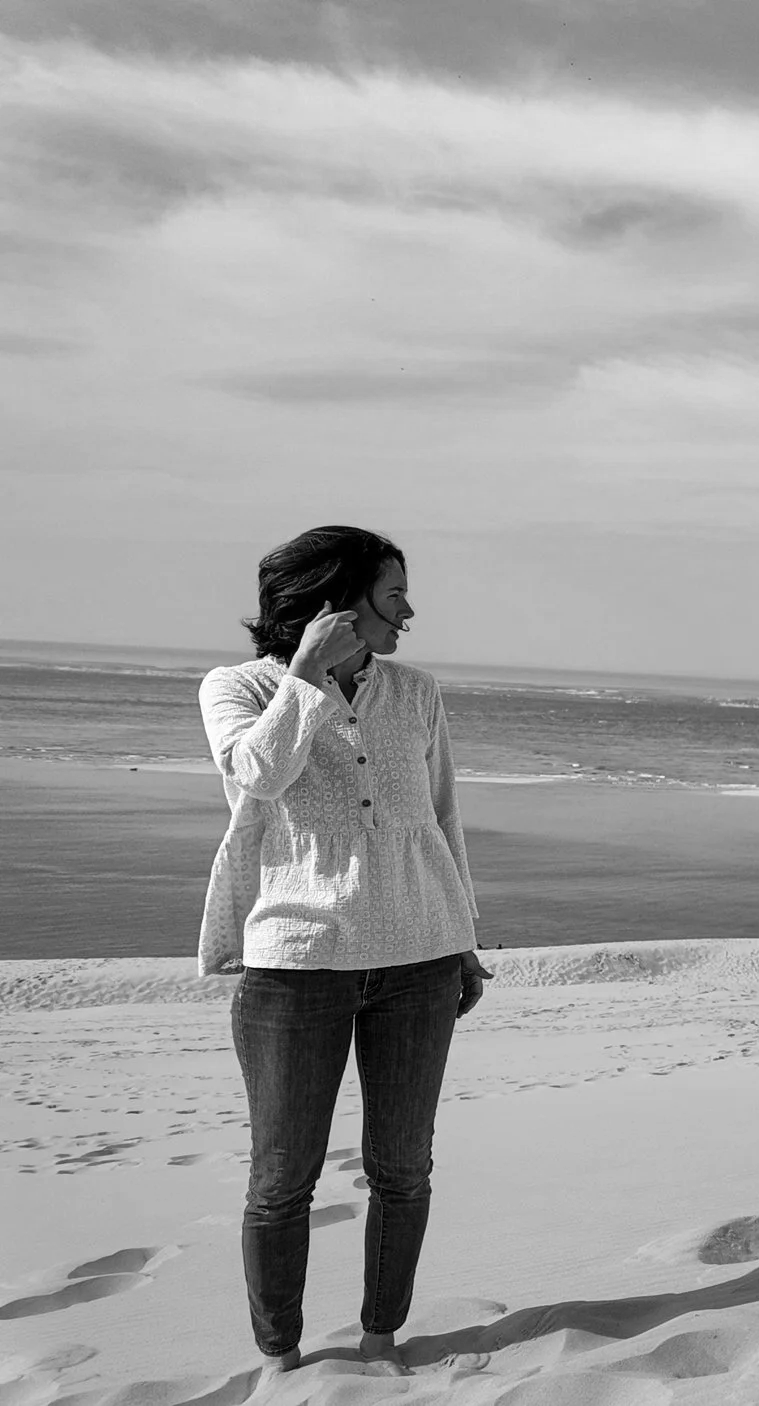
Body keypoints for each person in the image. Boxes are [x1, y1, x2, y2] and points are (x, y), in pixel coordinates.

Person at [197, 526, 494, 1383]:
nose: (410, 611)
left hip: (419, 959)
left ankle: (379, 1340)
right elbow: (258, 776)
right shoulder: (240, 687)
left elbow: (441, 820)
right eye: (393, 594)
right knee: (283, 1177)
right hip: (294, 964)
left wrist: (461, 940)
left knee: (403, 1168)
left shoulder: (416, 692)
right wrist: (306, 677)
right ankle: (282, 1361)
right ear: (336, 599)